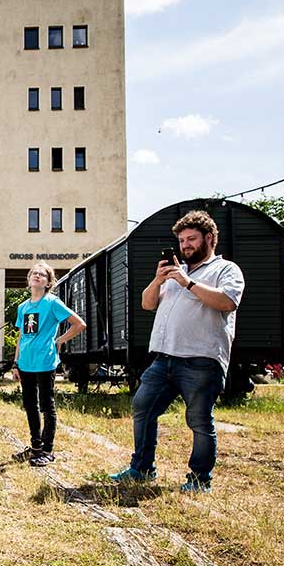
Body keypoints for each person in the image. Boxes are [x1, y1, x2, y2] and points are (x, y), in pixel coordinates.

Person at [110, 210, 244, 493]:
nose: (185, 246)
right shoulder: (174, 273)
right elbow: (147, 304)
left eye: (191, 239)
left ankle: (199, 479)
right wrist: (159, 280)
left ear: (209, 238)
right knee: (142, 407)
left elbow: (226, 303)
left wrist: (188, 282)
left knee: (198, 420)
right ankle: (142, 469)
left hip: (201, 360)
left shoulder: (226, 270)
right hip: (163, 357)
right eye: (182, 240)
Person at [10, 262, 86, 467]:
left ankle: (47, 450)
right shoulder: (22, 307)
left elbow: (79, 324)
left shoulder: (53, 303)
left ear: (48, 282)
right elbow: (21, 336)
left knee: (46, 405)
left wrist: (59, 341)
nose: (37, 276)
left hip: (45, 362)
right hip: (25, 363)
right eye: (34, 273)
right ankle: (35, 447)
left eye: (42, 275)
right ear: (29, 279)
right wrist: (15, 363)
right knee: (30, 406)